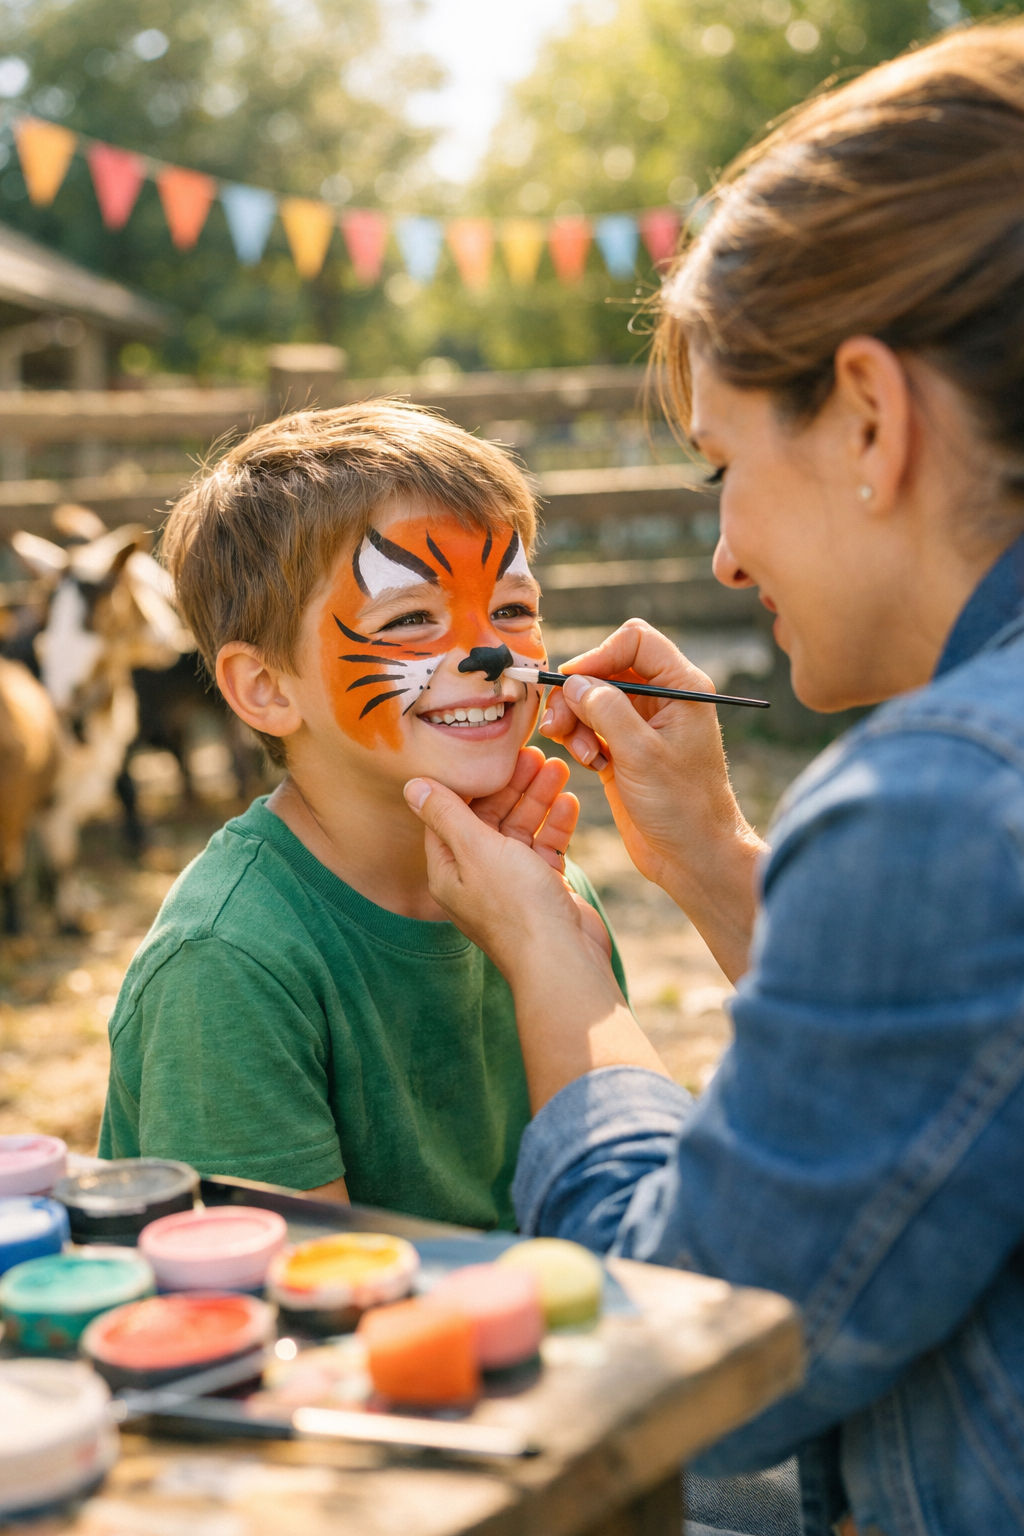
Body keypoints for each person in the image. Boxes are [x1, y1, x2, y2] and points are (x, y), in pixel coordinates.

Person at [402, 18, 1024, 1536]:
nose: (728, 552)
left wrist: (559, 960)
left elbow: (696, 1343)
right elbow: (952, 1097)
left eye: (721, 464)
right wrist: (710, 855)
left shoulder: (949, 798)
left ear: (872, 417)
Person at [98, 399, 629, 1228]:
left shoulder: (549, 899)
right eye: (411, 619)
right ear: (267, 689)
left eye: (514, 609)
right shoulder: (229, 964)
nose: (487, 652)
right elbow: (303, 1307)